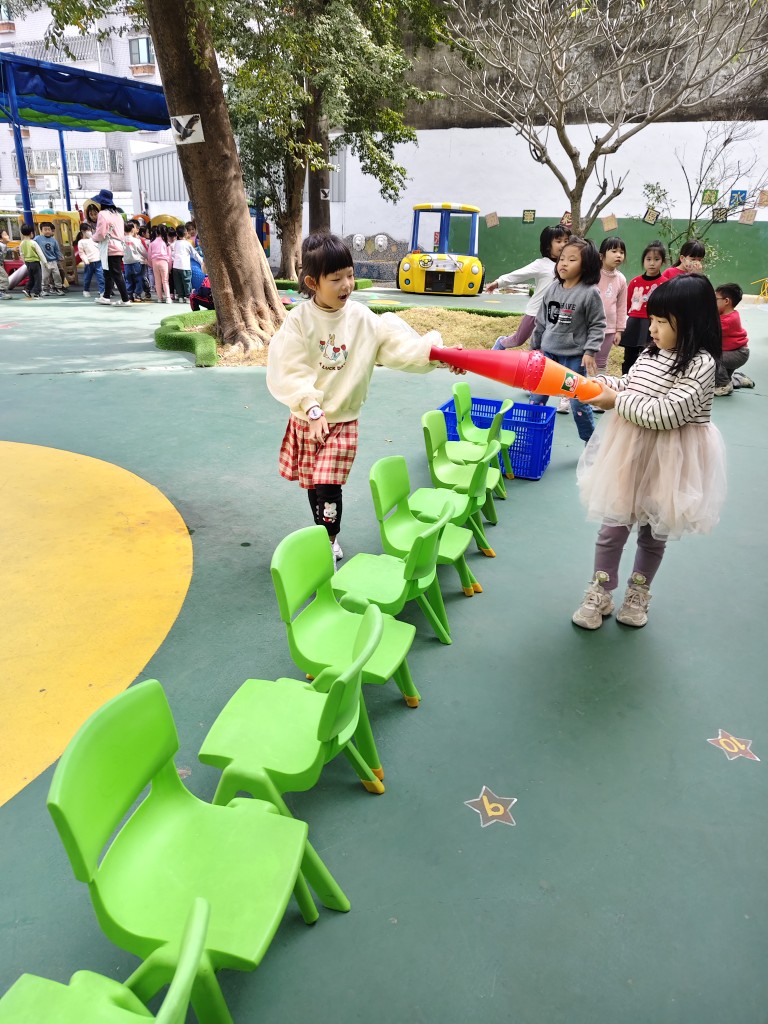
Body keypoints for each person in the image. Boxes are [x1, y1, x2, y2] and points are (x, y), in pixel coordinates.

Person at [266, 231, 463, 564]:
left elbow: (399, 347)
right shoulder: (299, 321)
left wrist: (439, 355)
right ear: (313, 283)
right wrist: (311, 408)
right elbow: (291, 367)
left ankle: (329, 540)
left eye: (350, 275)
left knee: (328, 484)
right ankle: (323, 531)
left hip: (342, 420)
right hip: (310, 418)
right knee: (314, 484)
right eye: (336, 279)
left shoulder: (362, 319)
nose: (347, 284)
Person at [573, 274, 726, 630]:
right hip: (630, 452)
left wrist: (616, 401)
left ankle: (638, 592)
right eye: (651, 320)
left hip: (670, 459)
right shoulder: (651, 352)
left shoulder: (700, 364)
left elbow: (667, 414)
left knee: (654, 532)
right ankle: (601, 590)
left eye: (661, 322)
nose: (652, 329)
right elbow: (631, 384)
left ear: (690, 322)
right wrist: (603, 384)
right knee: (613, 527)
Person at [528, 236, 605, 439]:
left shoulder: (590, 293)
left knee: (578, 403)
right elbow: (541, 321)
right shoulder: (553, 288)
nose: (564, 263)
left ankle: (590, 442)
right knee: (536, 398)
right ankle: (531, 436)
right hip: (548, 356)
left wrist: (590, 351)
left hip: (573, 358)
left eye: (572, 260)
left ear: (586, 265)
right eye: (562, 258)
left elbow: (597, 324)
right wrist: (534, 347)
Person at [486, 225, 571, 354]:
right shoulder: (542, 264)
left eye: (566, 241)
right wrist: (499, 282)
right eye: (558, 241)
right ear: (548, 246)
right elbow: (519, 274)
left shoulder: (570, 265)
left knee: (545, 344)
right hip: (535, 311)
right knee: (518, 340)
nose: (563, 244)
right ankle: (502, 342)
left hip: (554, 313)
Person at [622, 240, 667, 375]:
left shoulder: (665, 283)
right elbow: (627, 305)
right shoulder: (635, 282)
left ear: (663, 262)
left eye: (656, 259)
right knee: (629, 356)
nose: (652, 263)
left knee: (651, 356)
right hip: (634, 324)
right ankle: (626, 380)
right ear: (643, 261)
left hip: (653, 324)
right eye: (648, 259)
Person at [90, 189, 132, 306]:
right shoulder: (118, 215)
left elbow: (101, 233)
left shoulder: (102, 214)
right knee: (109, 272)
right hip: (118, 245)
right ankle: (106, 296)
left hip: (109, 246)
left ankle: (125, 299)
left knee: (114, 273)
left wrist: (93, 237)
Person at [595, 237, 628, 382]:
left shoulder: (621, 279)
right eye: (614, 251)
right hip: (589, 327)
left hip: (609, 329)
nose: (618, 255)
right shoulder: (593, 274)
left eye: (621, 252)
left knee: (601, 361)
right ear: (601, 255)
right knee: (584, 358)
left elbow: (621, 306)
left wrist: (619, 330)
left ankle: (598, 387)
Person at [714, 282, 753, 395]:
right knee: (719, 375)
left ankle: (724, 386)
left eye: (715, 299)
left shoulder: (727, 321)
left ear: (726, 301)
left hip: (737, 354)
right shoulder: (728, 314)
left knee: (711, 358)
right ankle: (737, 379)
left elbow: (706, 330)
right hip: (733, 352)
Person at [171, 224, 201, 303]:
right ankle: (188, 297)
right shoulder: (187, 243)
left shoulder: (175, 243)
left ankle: (180, 297)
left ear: (177, 234)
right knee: (187, 281)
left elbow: (172, 253)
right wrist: (201, 262)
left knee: (178, 282)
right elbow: (194, 254)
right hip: (185, 266)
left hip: (176, 266)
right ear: (185, 233)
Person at [34, 222, 65, 295]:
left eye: (49, 229)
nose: (47, 231)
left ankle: (58, 288)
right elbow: (32, 244)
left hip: (53, 260)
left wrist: (60, 257)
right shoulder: (38, 238)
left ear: (51, 231)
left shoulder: (53, 240)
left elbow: (57, 250)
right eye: (45, 229)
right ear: (41, 230)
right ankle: (44, 289)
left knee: (57, 275)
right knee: (45, 276)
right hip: (44, 261)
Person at [123, 220, 148, 302]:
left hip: (126, 263)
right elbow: (142, 251)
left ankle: (129, 295)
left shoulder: (122, 240)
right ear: (132, 229)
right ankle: (137, 295)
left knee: (128, 280)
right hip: (136, 262)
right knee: (138, 279)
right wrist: (148, 257)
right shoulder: (136, 240)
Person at [77, 223, 105, 298]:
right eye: (88, 230)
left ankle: (102, 291)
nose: (89, 232)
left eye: (90, 230)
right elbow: (81, 253)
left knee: (101, 277)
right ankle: (86, 290)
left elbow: (100, 248)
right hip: (89, 262)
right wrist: (85, 260)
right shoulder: (81, 242)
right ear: (82, 231)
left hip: (98, 261)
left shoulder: (94, 239)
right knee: (87, 278)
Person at [19, 223, 45, 298]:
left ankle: (27, 289)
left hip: (28, 263)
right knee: (38, 278)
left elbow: (21, 254)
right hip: (35, 262)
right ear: (31, 233)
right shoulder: (33, 243)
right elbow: (40, 253)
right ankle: (37, 293)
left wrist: (25, 262)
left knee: (31, 278)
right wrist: (45, 262)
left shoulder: (22, 243)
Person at [148, 225, 173, 303]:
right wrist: (169, 267)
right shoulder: (166, 243)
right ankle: (168, 297)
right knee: (165, 280)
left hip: (154, 262)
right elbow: (169, 257)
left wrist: (151, 264)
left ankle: (160, 298)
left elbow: (149, 255)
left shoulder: (152, 242)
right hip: (164, 262)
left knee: (157, 281)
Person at [0, 229, 11, 297]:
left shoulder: (4, 245)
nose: (8, 236)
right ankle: (1, 292)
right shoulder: (0, 245)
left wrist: (13, 250)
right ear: (1, 239)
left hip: (1, 264)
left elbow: (7, 250)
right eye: (5, 235)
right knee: (4, 276)